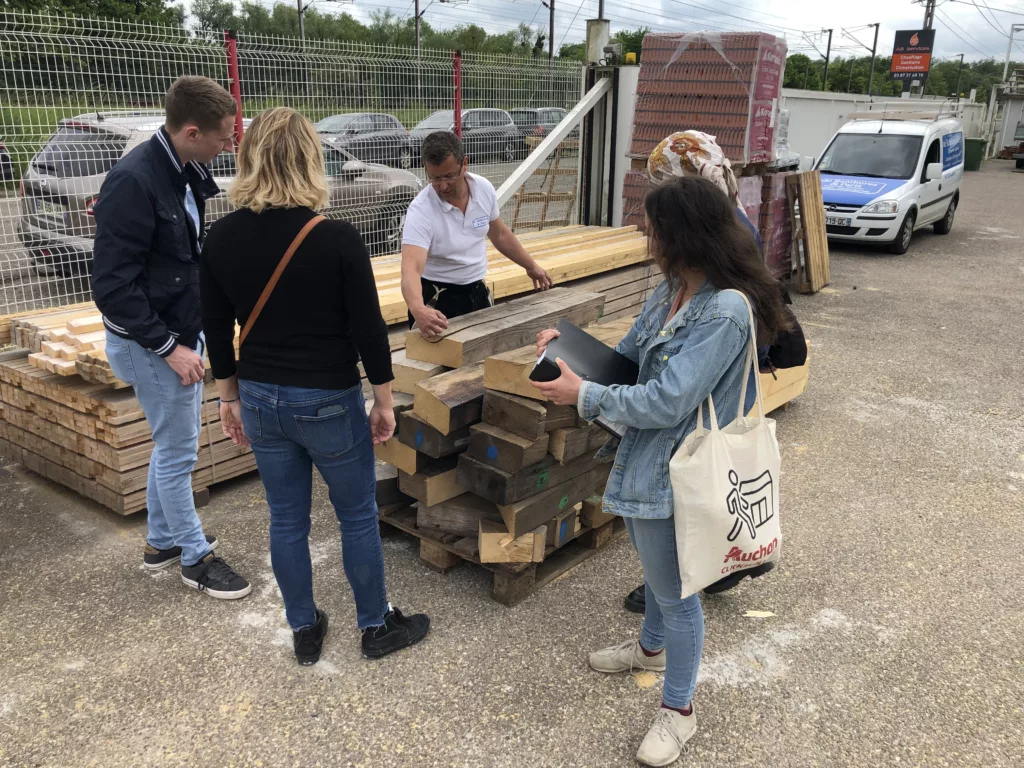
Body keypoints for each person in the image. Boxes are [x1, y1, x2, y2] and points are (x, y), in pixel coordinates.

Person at [531, 176, 790, 766]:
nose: (646, 238)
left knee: (676, 594)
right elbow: (625, 362)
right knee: (656, 569)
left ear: (683, 234)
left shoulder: (724, 310)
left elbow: (667, 400)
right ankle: (650, 650)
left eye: (653, 229)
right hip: (651, 462)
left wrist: (583, 396)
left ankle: (680, 711)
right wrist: (567, 351)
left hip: (683, 468)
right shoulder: (673, 288)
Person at [199, 107, 430, 666]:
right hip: (327, 397)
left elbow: (215, 327)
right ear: (311, 160)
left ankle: (304, 627)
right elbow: (368, 329)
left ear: (251, 159)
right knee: (354, 515)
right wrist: (382, 399)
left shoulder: (221, 236)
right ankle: (374, 626)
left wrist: (227, 398)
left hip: (258, 396)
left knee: (286, 519)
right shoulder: (337, 238)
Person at [92, 75, 250, 599]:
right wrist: (169, 347)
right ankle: (194, 558)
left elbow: (183, 255)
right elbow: (113, 287)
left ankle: (161, 542)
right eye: (225, 135)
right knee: (180, 452)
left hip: (179, 328)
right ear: (190, 130)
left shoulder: (183, 167)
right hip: (150, 342)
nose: (230, 144)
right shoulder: (134, 181)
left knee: (170, 447)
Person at [621, 130, 776, 614]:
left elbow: (680, 388)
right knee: (713, 469)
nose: (650, 239)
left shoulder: (719, 249)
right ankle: (706, 562)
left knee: (710, 467)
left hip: (717, 369)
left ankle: (703, 567)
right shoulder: (717, 227)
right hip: (713, 365)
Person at [400, 131, 553, 338]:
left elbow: (499, 234)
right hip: (437, 298)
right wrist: (418, 309)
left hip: (477, 291)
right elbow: (411, 269)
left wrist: (531, 266)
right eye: (434, 178)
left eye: (449, 176)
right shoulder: (421, 210)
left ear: (464, 164)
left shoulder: (483, 189)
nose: (442, 186)